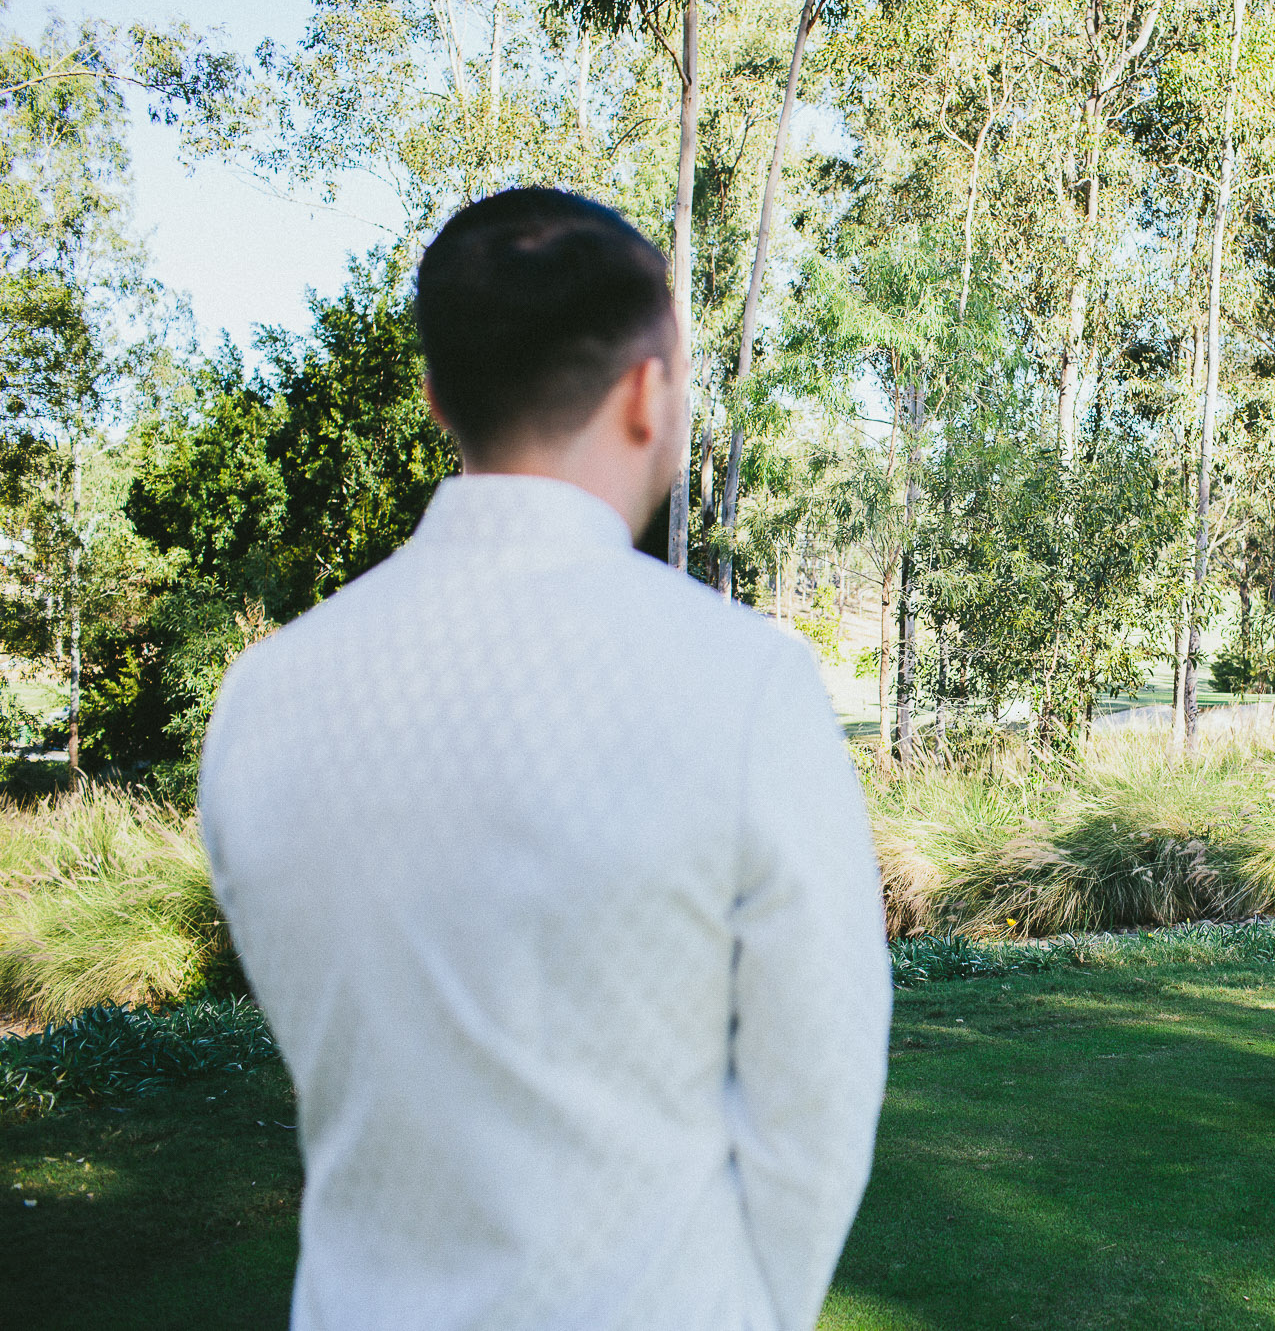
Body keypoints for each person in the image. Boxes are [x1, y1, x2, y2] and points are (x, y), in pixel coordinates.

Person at [200, 188, 892, 1330]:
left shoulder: (262, 697)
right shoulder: (742, 686)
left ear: (436, 399)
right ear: (646, 393)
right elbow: (816, 1089)